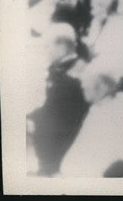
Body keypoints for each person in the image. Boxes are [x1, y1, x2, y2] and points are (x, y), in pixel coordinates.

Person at [29, 23, 89, 176]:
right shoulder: (60, 67)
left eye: (47, 46)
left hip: (64, 143)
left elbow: (63, 112)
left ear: (61, 46)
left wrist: (33, 118)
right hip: (55, 137)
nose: (45, 51)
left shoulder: (77, 71)